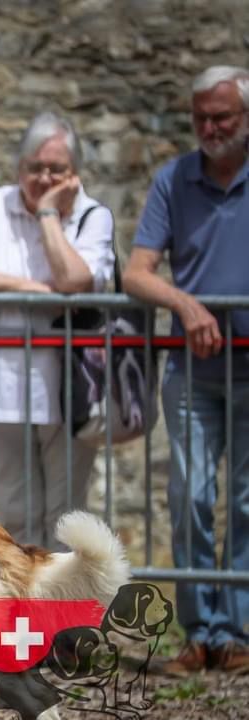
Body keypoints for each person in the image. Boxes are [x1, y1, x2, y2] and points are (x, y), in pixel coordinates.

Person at [0, 112, 116, 549]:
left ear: (74, 173)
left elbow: (75, 280)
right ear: (18, 168)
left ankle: (65, 597)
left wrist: (49, 214)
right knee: (16, 514)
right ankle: (24, 598)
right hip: (4, 387)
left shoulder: (93, 216)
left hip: (71, 391)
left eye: (56, 169)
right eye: (35, 168)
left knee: (65, 518)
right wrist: (25, 287)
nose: (44, 178)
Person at [122, 65, 249, 676]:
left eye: (221, 116)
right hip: (193, 371)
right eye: (200, 117)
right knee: (190, 495)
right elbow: (136, 272)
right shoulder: (174, 179)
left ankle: (237, 634)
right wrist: (187, 305)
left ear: (245, 117)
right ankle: (201, 633)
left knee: (248, 502)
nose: (209, 127)